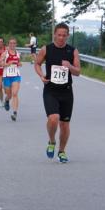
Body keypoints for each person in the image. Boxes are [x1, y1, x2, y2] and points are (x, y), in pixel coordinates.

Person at [35, 23, 81, 163]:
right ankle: (51, 141)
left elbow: (78, 72)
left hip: (66, 92)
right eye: (59, 35)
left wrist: (70, 66)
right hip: (51, 90)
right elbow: (37, 63)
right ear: (54, 34)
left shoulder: (72, 51)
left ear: (68, 36)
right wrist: (41, 75)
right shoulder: (46, 49)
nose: (61, 38)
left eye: (64, 35)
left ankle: (61, 151)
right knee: (53, 118)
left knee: (65, 124)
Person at [0, 37, 22, 121]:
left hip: (16, 76)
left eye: (14, 43)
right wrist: (7, 64)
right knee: (9, 95)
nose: (12, 44)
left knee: (15, 94)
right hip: (7, 76)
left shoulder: (18, 53)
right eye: (11, 43)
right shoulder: (5, 53)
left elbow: (19, 63)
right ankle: (6, 100)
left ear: (16, 44)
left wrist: (19, 64)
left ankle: (14, 113)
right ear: (8, 44)